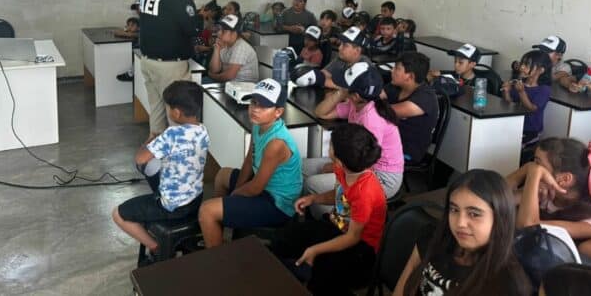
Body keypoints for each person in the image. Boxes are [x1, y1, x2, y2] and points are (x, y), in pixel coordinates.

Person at [272, 124, 386, 295]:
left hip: (360, 249)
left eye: (331, 145)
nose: (329, 147)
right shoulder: (342, 169)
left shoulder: (365, 192)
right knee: (285, 238)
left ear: (339, 159)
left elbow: (352, 238)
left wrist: (315, 250)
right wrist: (313, 198)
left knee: (322, 276)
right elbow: (340, 195)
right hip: (338, 226)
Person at [112, 81, 209, 265]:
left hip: (171, 206)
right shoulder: (202, 130)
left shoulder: (171, 134)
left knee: (118, 214)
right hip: (194, 199)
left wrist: (148, 142)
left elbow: (140, 159)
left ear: (177, 112)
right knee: (158, 168)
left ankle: (156, 247)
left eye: (169, 108)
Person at [198, 79, 302, 247]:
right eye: (253, 102)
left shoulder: (276, 143)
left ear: (278, 112)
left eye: (263, 106)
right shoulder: (258, 125)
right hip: (264, 188)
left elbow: (256, 188)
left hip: (277, 204)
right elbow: (249, 161)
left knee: (206, 211)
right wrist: (236, 195)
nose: (255, 109)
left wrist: (235, 195)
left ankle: (219, 257)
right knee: (222, 175)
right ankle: (217, 235)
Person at [394, 169, 531, 296]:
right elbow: (404, 286)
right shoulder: (433, 236)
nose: (460, 223)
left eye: (474, 214)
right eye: (454, 210)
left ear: (499, 218)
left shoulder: (508, 284)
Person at [304, 62, 403, 215]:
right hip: (354, 161)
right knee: (303, 167)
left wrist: (335, 167)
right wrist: (341, 93)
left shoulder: (372, 119)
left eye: (344, 86)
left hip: (381, 177)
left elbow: (367, 161)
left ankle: (333, 221)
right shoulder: (358, 104)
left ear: (356, 96)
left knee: (313, 184)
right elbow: (321, 112)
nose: (340, 87)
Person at [138, 0, 201, 142]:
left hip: (147, 62)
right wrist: (198, 17)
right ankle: (177, 157)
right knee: (178, 118)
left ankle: (153, 154)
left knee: (157, 112)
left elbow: (162, 19)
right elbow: (193, 29)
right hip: (170, 67)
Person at [506, 137, 591, 261]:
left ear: (565, 179)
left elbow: (528, 227)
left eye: (538, 164)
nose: (534, 167)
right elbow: (495, 200)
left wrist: (535, 173)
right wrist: (525, 169)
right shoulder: (545, 191)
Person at [381, 52, 439, 164]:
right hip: (387, 140)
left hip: (406, 151)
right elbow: (375, 97)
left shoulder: (425, 97)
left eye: (397, 69)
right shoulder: (395, 86)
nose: (392, 71)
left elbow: (383, 111)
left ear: (410, 76)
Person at [502, 50, 552, 147]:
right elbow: (510, 104)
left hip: (530, 130)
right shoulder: (519, 82)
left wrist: (522, 92)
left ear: (541, 70)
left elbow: (532, 108)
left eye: (527, 65)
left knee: (512, 147)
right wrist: (506, 91)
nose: (522, 67)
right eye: (522, 64)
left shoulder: (543, 89)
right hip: (515, 125)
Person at [207, 14, 259, 83]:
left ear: (234, 33)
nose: (219, 33)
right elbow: (214, 70)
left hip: (243, 86)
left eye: (224, 31)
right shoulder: (224, 44)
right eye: (220, 29)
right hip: (231, 84)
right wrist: (217, 49)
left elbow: (229, 76)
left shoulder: (240, 47)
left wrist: (213, 76)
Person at [115, 17, 140, 82]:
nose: (130, 27)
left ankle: (130, 74)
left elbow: (130, 35)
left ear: (138, 27)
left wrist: (125, 31)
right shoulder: (129, 31)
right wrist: (125, 29)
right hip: (132, 51)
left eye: (132, 25)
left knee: (137, 58)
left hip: (139, 51)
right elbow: (117, 32)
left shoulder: (139, 33)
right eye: (128, 25)